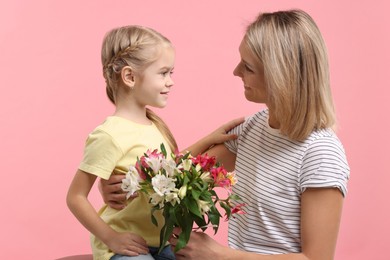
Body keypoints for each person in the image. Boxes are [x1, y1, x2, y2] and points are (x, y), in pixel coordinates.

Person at [100, 9, 350, 260]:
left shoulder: (321, 153)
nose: (236, 71)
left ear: (280, 76)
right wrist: (125, 182)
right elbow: (178, 176)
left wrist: (220, 255)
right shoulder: (251, 129)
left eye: (249, 67)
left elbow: (316, 258)